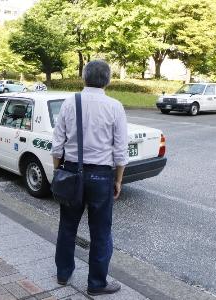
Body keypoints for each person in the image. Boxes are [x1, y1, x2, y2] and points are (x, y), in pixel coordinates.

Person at [51, 60, 128, 296]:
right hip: (102, 175)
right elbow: (120, 150)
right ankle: (96, 284)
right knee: (101, 231)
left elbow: (57, 144)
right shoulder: (115, 106)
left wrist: (58, 172)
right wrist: (118, 180)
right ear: (108, 80)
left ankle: (63, 274)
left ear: (84, 78)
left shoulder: (69, 102)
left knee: (67, 226)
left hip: (72, 171)